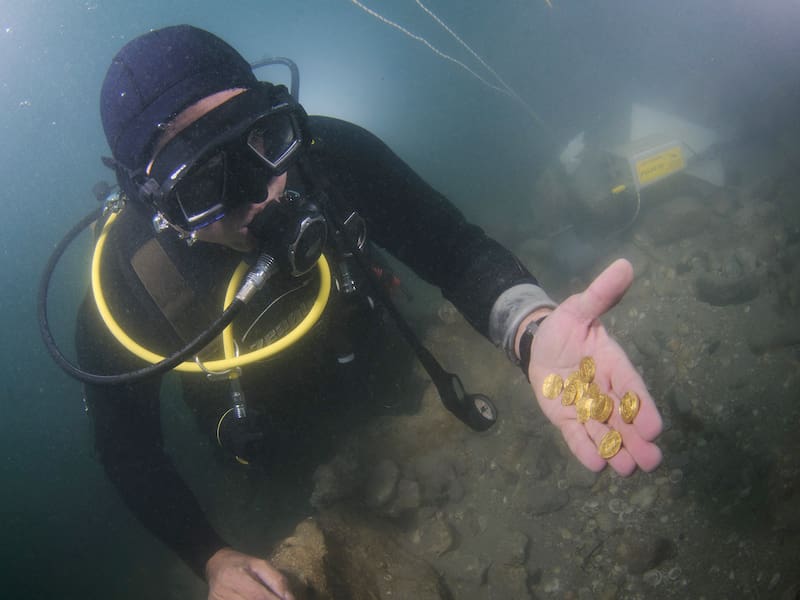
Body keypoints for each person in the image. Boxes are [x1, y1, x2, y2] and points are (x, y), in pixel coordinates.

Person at [75, 25, 663, 600]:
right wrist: (211, 556)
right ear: (152, 203)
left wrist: (531, 330)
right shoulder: (128, 290)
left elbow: (450, 247)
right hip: (275, 443)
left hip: (374, 367)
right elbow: (130, 453)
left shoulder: (327, 157)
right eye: (202, 184)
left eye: (263, 139)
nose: (261, 195)